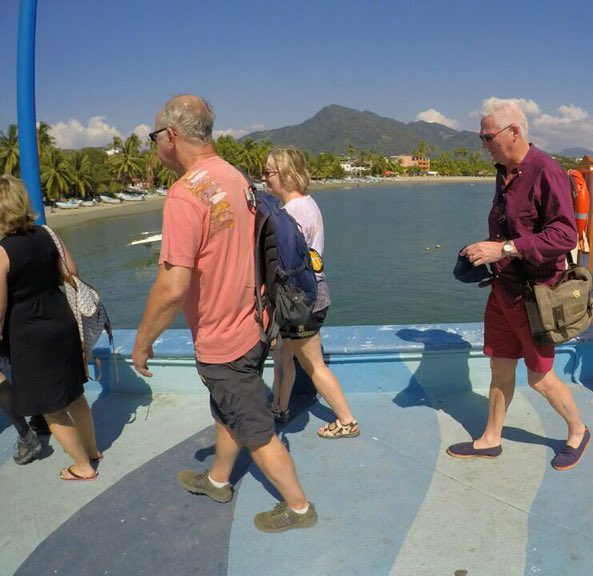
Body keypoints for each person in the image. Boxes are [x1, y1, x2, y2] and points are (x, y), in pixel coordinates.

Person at [131, 95, 316, 532]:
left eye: (155, 136)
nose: (155, 144)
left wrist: (142, 342)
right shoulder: (235, 176)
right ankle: (218, 479)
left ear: (172, 137)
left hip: (222, 340)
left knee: (255, 427)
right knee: (227, 410)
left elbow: (172, 287)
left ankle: (299, 508)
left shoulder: (184, 195)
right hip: (255, 323)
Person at [447, 98, 590, 471]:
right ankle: (491, 438)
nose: (483, 143)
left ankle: (578, 430)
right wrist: (484, 250)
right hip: (502, 290)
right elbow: (512, 228)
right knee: (500, 368)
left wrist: (505, 248)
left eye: (487, 136)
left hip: (535, 297)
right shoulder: (503, 170)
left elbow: (564, 235)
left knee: (541, 378)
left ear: (514, 132)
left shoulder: (546, 171)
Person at [0, 175, 100, 479]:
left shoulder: (2, 251)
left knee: (51, 406)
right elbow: (71, 271)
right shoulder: (46, 233)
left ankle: (82, 466)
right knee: (74, 394)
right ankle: (92, 450)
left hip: (30, 334)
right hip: (61, 319)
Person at [264, 147, 358, 439]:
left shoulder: (290, 213)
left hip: (299, 300)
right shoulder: (307, 204)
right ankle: (279, 408)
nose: (264, 178)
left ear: (286, 174)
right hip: (312, 292)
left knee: (313, 365)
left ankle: (346, 420)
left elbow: (285, 264)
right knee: (284, 356)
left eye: (269, 172)